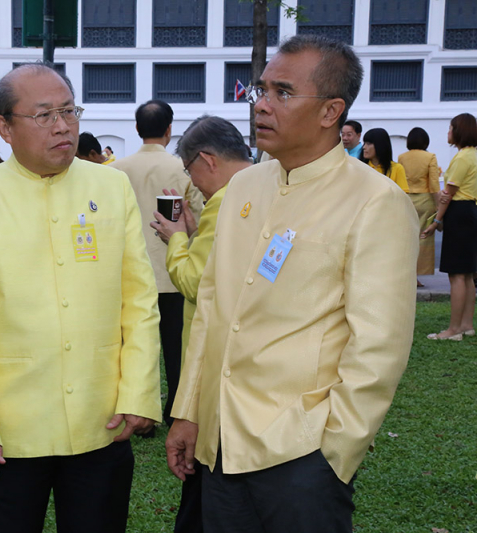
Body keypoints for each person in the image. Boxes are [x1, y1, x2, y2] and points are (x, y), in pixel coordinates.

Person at [166, 35, 418, 533]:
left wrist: (334, 452)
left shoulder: (374, 202)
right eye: (261, 90)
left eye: (282, 92)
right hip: (221, 443)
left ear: (331, 112)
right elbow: (214, 310)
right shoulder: (244, 186)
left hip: (301, 450)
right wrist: (190, 410)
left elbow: (378, 345)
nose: (260, 104)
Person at [0, 63, 161, 533]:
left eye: (68, 110)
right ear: (5, 127)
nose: (62, 125)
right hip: (11, 428)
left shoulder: (111, 185)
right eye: (44, 115)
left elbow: (138, 301)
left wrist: (139, 391)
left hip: (101, 416)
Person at [150, 115, 251, 533]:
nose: (193, 185)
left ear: (207, 160)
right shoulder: (266, 189)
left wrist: (175, 238)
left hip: (215, 363)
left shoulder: (226, 200)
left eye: (190, 172)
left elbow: (195, 282)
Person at [111, 99, 204, 429]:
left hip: (128, 273)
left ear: (137, 130)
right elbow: (199, 219)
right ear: (169, 130)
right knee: (177, 349)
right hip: (172, 270)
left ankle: (137, 414)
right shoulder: (184, 169)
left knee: (133, 346)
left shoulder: (114, 170)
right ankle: (176, 413)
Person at [421, 113, 477, 341]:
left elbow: (447, 195)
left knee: (457, 275)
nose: (448, 133)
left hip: (460, 213)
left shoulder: (462, 157)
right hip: (471, 211)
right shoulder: (474, 155)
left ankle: (454, 329)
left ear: (459, 131)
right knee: (467, 275)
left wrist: (436, 221)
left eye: (450, 128)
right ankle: (466, 325)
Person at [398, 127, 440, 282]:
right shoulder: (430, 157)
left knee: (408, 237)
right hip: (425, 200)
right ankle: (418, 272)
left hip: (408, 198)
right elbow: (434, 183)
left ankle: (408, 274)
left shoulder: (402, 157)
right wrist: (438, 205)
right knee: (423, 237)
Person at [361, 127, 409, 192]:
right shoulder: (360, 168)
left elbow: (403, 196)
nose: (364, 147)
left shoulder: (397, 168)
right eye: (364, 143)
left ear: (380, 145)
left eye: (369, 144)